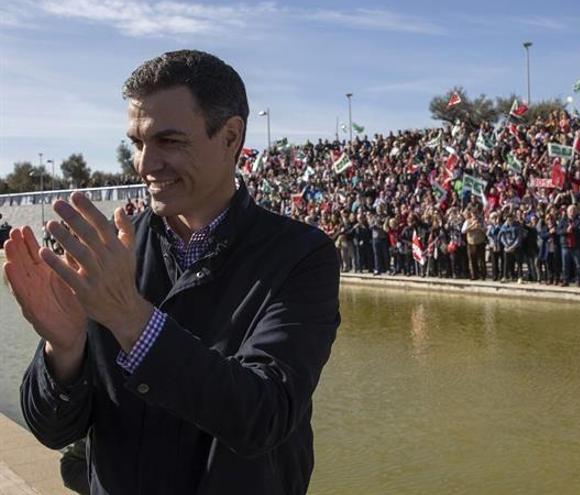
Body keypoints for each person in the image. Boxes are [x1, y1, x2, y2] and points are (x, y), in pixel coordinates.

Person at [4, 50, 340, 494]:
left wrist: (130, 319)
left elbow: (265, 415)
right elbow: (53, 430)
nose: (144, 165)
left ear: (230, 137)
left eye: (169, 142)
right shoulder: (111, 248)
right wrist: (62, 351)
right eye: (137, 143)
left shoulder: (300, 255)